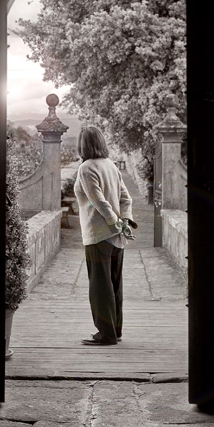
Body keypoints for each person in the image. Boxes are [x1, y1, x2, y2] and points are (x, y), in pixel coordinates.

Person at [74, 126, 138, 345]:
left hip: (99, 234)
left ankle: (105, 334)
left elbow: (97, 200)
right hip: (116, 237)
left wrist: (116, 223)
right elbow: (125, 197)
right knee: (114, 285)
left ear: (83, 144)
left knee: (100, 287)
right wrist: (124, 222)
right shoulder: (110, 165)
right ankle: (115, 331)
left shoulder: (86, 168)